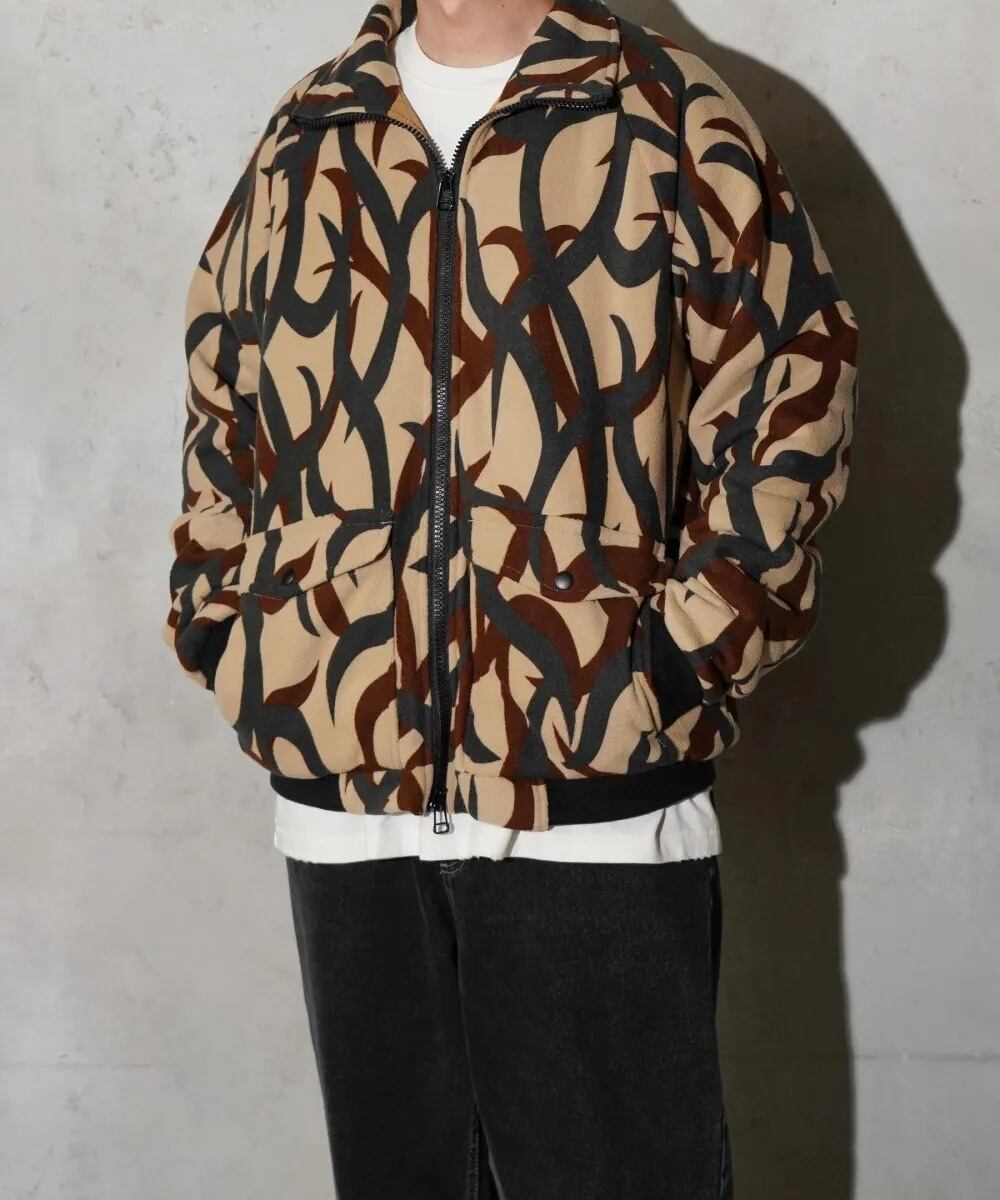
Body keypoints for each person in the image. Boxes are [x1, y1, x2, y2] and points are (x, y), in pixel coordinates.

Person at [162, 0, 859, 1195]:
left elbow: (792, 387)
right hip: (348, 800)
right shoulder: (312, 129)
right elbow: (221, 399)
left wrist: (675, 657)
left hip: (591, 793)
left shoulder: (665, 113)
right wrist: (237, 630)